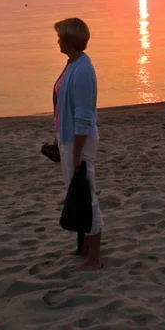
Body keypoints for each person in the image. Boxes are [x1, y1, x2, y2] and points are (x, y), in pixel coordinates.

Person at [53, 17, 104, 271]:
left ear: (70, 40)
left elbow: (83, 115)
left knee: (86, 197)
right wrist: (58, 134)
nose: (57, 40)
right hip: (69, 139)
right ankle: (82, 248)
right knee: (76, 196)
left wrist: (76, 153)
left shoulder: (83, 69)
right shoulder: (72, 64)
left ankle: (94, 259)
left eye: (61, 36)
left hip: (79, 142)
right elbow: (63, 106)